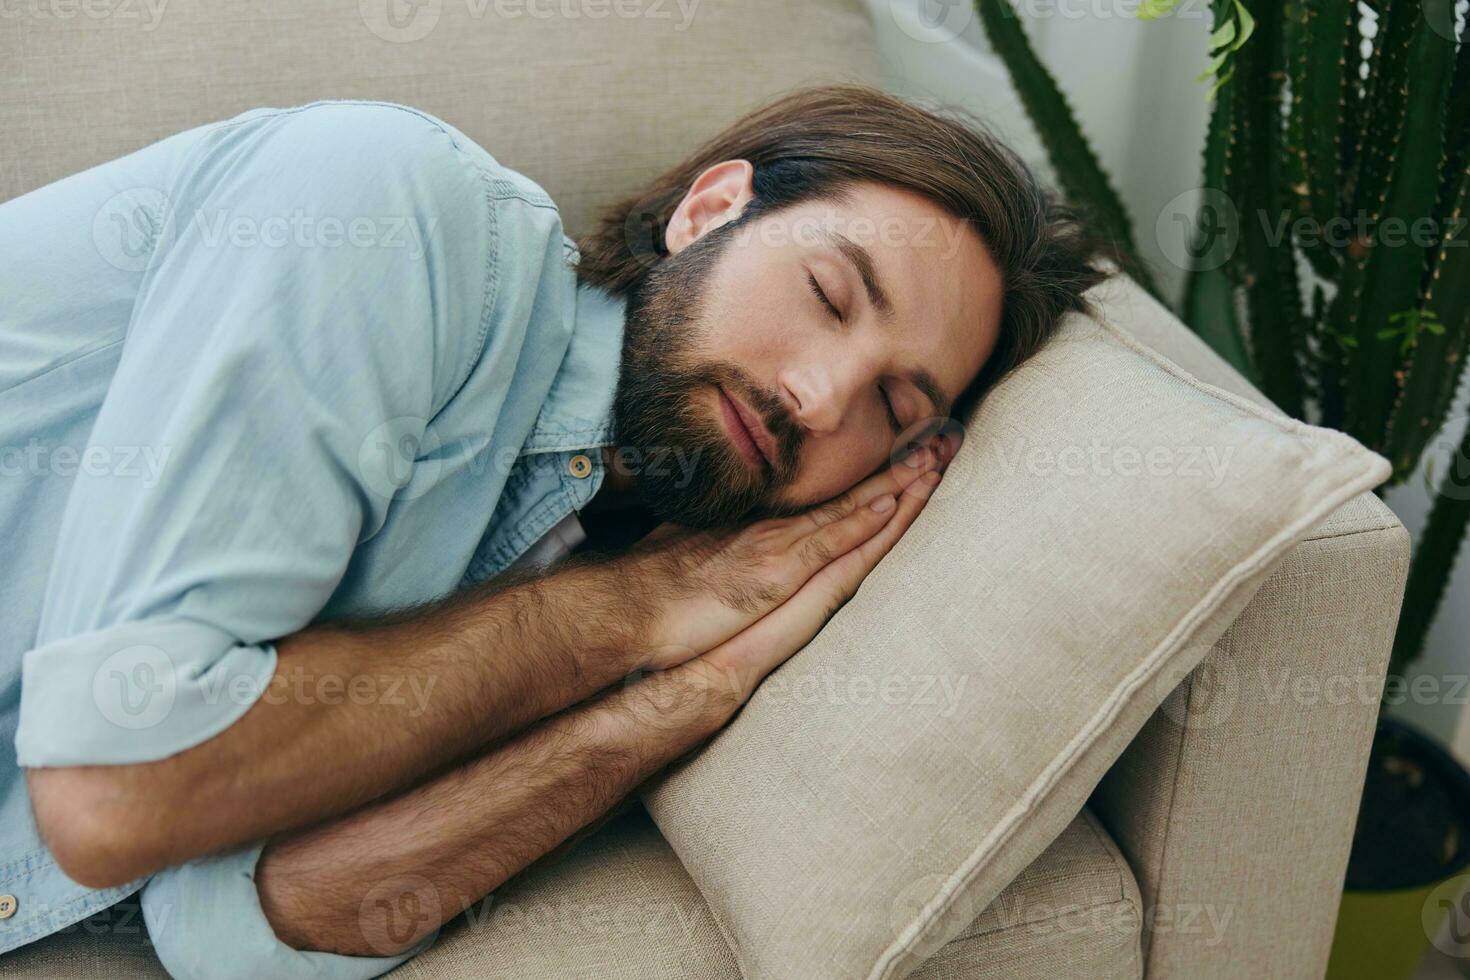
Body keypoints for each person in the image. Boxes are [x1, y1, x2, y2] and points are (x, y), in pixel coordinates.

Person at [0, 85, 1107, 978]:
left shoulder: (596, 550)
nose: (819, 399)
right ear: (711, 208)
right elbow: (118, 789)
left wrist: (678, 701)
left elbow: (251, 917)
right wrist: (633, 612)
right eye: (827, 293)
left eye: (895, 408)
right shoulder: (389, 205)